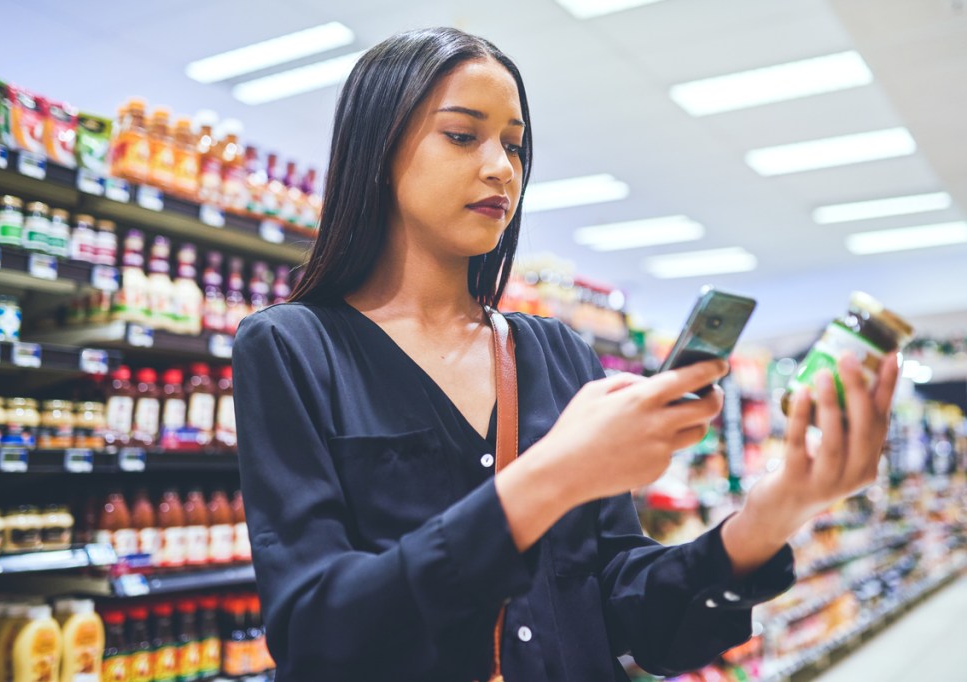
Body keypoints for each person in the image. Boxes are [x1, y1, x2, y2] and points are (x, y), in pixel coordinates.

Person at [233, 27, 899, 682]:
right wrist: (554, 477)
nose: (501, 167)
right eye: (463, 135)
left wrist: (772, 513)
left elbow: (623, 608)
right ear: (376, 149)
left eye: (516, 146)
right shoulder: (292, 348)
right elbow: (317, 634)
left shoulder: (554, 352)